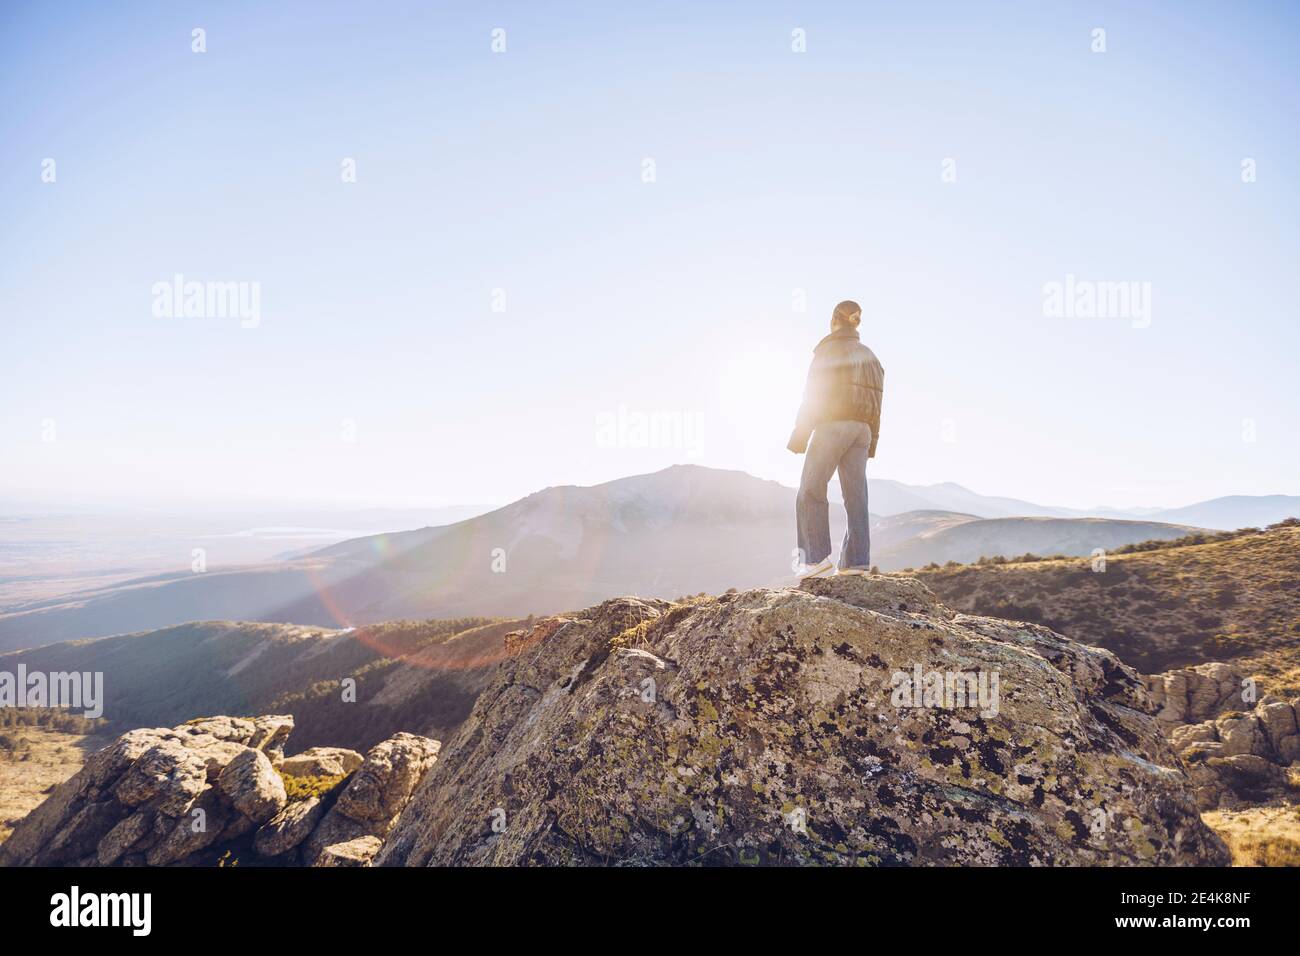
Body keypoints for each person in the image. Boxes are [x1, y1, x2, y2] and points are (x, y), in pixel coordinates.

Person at [787, 299, 884, 577]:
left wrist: (800, 436)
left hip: (833, 426)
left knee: (811, 490)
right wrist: (872, 442)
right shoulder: (872, 357)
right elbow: (878, 404)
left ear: (833, 320)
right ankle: (856, 563)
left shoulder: (827, 351)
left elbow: (813, 397)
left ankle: (815, 561)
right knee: (856, 497)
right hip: (862, 430)